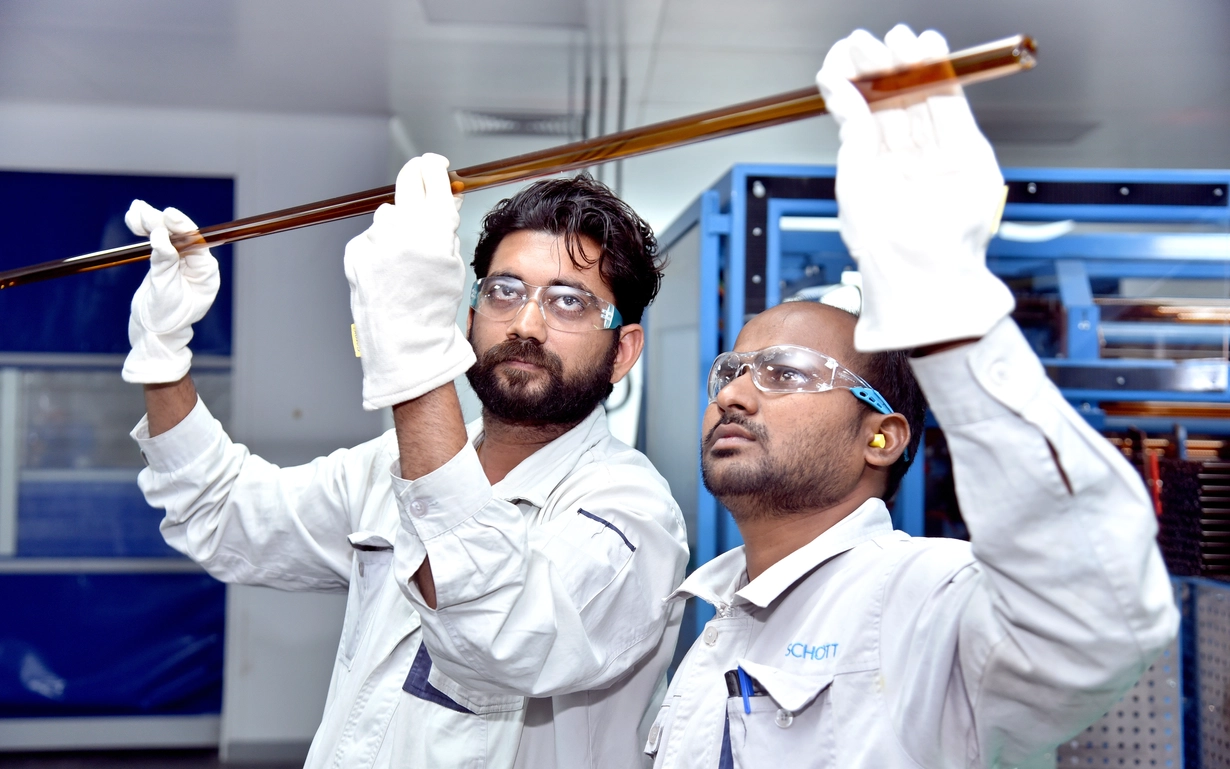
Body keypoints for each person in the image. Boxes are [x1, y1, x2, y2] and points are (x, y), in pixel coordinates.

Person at [645, 25, 1179, 769]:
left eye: (788, 372)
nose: (735, 392)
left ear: (883, 436)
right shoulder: (712, 627)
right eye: (731, 369)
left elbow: (1098, 620)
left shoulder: (927, 598)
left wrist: (941, 297)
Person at [121, 167, 688, 768]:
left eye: (568, 301)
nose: (525, 324)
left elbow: (495, 637)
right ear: (469, 317)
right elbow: (224, 512)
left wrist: (414, 357)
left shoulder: (630, 514)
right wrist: (161, 355)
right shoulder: (391, 467)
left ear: (622, 351)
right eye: (504, 291)